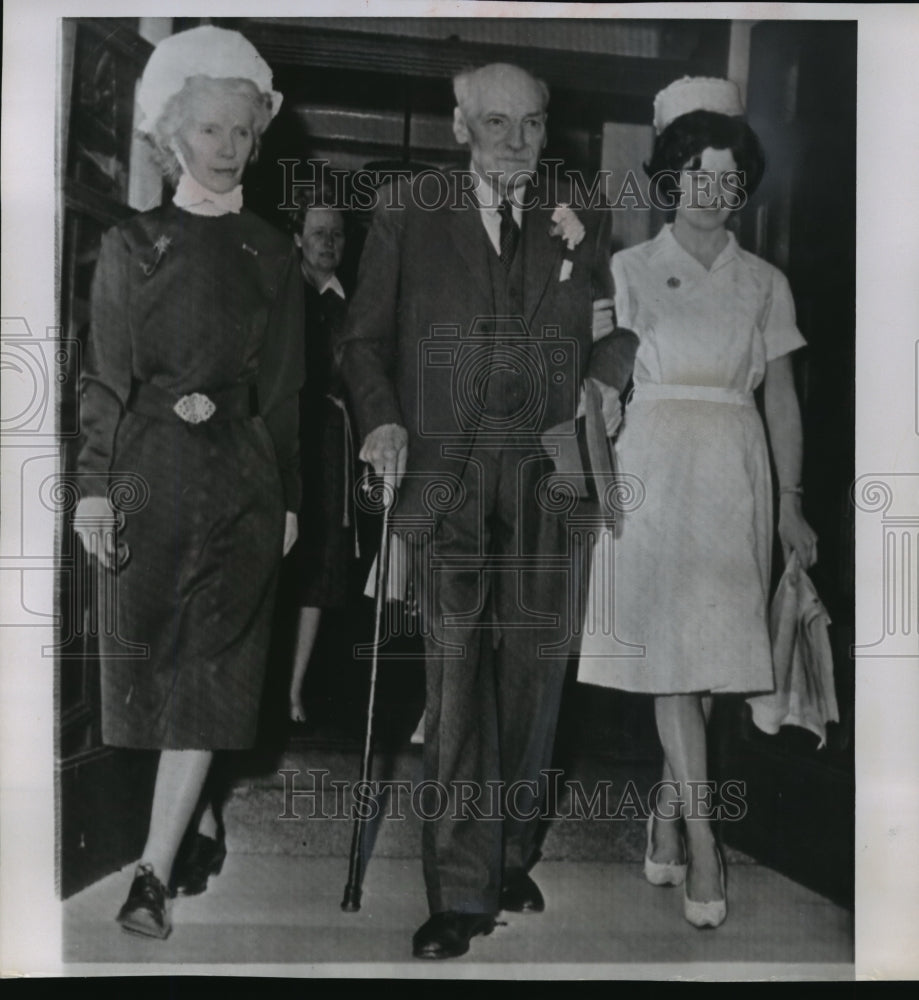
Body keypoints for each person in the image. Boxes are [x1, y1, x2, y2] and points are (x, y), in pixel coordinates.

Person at [336, 62, 637, 960]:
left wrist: (606, 376)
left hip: (550, 469)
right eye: (497, 124)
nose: (517, 142)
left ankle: (509, 850)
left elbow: (617, 328)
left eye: (533, 125)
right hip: (447, 472)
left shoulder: (578, 211)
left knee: (535, 677)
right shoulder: (407, 208)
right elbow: (357, 338)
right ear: (459, 127)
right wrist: (382, 420)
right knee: (459, 675)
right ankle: (460, 890)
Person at [72, 25, 304, 939]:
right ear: (173, 136)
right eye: (208, 130)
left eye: (241, 133)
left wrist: (287, 498)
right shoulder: (132, 246)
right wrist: (93, 484)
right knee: (146, 672)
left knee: (212, 672)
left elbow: (285, 389)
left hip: (241, 479)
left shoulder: (272, 252)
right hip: (148, 470)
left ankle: (151, 877)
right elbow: (104, 378)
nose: (225, 147)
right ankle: (195, 814)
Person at [578, 76, 818, 929]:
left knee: (711, 657)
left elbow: (781, 398)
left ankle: (670, 806)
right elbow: (603, 388)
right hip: (654, 470)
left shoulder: (765, 282)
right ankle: (705, 845)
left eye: (728, 181)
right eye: (695, 178)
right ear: (669, 180)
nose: (711, 197)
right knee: (672, 657)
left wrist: (790, 502)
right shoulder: (630, 269)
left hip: (735, 471)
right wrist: (596, 469)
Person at [286, 194, 356, 724]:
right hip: (282, 437)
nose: (328, 243)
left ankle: (295, 687)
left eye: (336, 235)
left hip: (329, 443)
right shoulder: (280, 294)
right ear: (297, 240)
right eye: (318, 234)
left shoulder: (350, 303)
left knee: (319, 562)